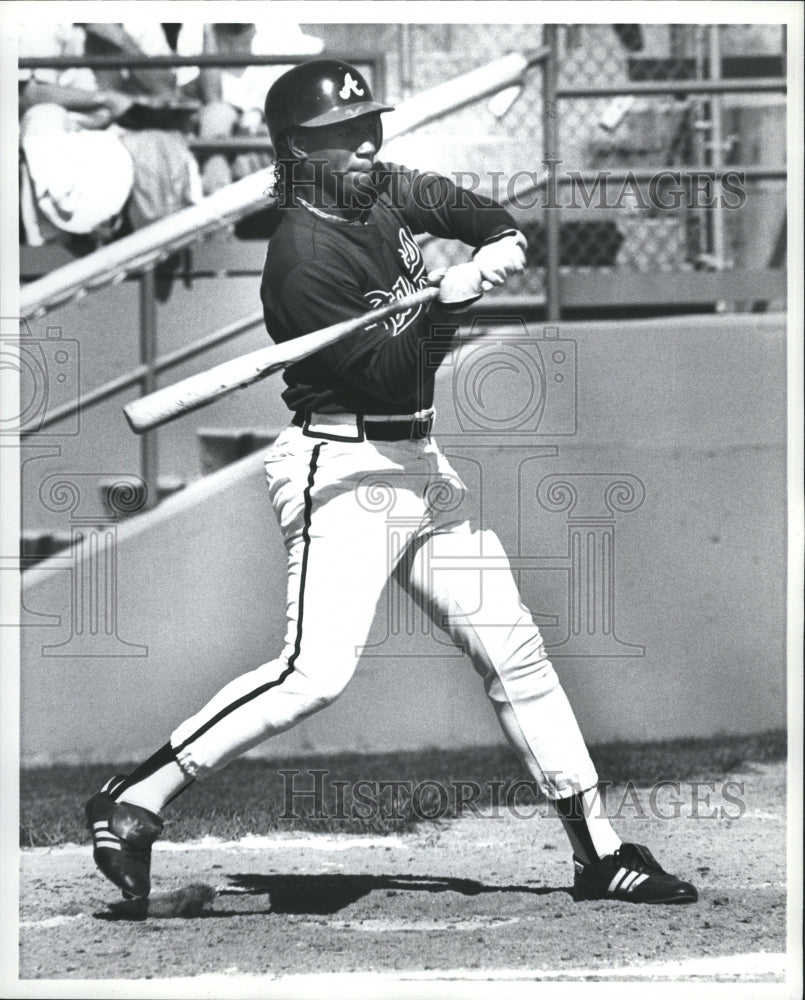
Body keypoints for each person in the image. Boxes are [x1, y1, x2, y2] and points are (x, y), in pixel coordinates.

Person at [86, 60, 698, 907]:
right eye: (343, 137)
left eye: (369, 126)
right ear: (299, 151)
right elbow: (383, 375)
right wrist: (448, 306)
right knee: (315, 674)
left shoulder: (376, 190)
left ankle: (599, 851)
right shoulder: (302, 258)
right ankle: (133, 797)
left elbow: (457, 205)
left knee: (510, 645)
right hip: (341, 464)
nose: (367, 143)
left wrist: (494, 240)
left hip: (419, 462)